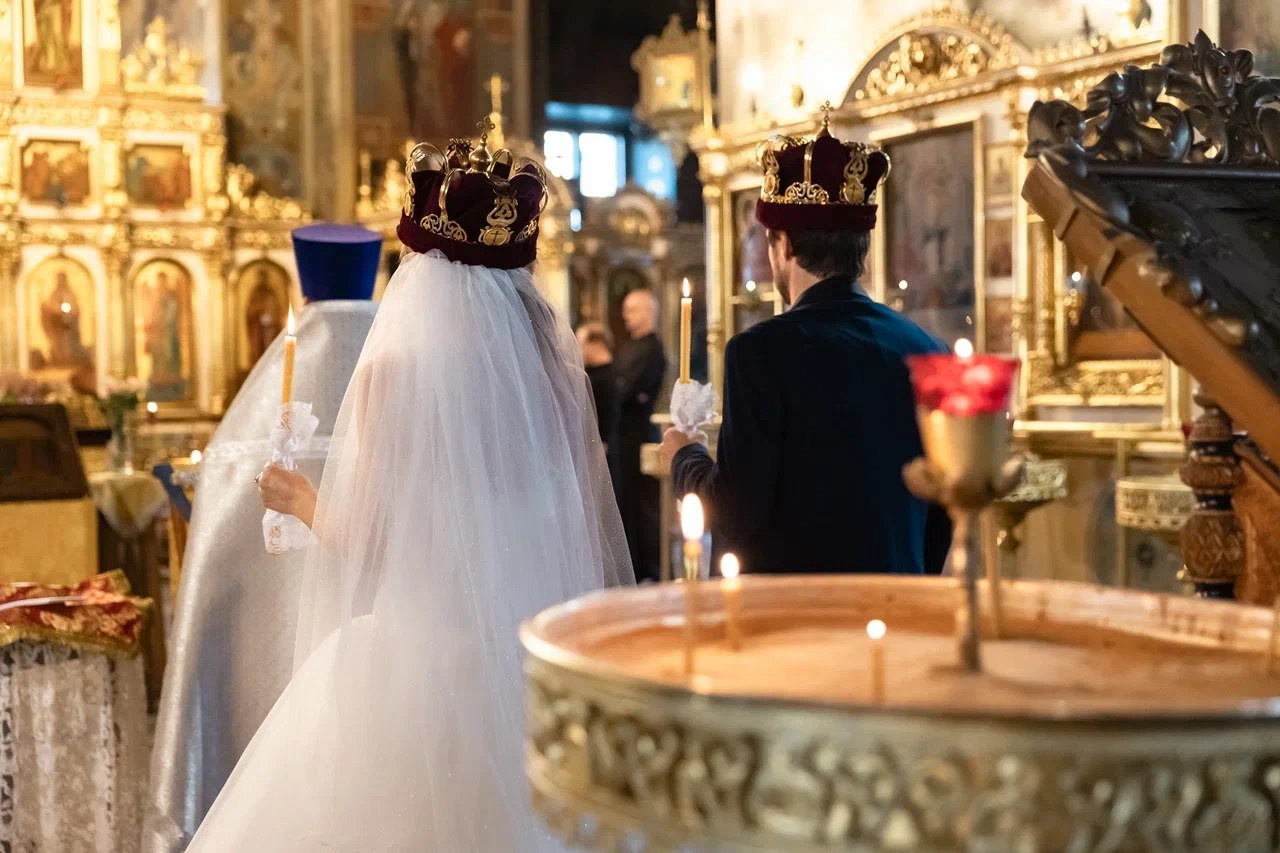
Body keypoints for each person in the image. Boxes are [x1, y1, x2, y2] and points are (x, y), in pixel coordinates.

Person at [184, 127, 632, 851]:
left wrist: (299, 499)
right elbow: (570, 524)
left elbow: (371, 545)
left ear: (421, 269)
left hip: (420, 667)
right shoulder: (553, 382)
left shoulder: (394, 377)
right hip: (532, 664)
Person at [144, 224, 382, 853]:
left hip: (325, 629)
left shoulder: (277, 373)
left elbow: (221, 516)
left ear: (305, 281)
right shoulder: (396, 359)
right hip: (390, 639)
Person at [659, 115, 952, 576]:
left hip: (795, 610)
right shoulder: (929, 349)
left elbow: (734, 512)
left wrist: (683, 456)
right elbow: (942, 511)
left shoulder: (759, 352)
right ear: (862, 245)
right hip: (896, 604)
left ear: (783, 245)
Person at [615, 288, 667, 581]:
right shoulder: (627, 348)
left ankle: (647, 571)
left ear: (649, 312)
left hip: (639, 436)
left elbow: (628, 390)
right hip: (621, 437)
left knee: (641, 506)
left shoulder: (652, 350)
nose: (625, 315)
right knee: (625, 502)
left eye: (632, 309)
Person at [576, 321, 620, 455]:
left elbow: (609, 414)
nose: (578, 350)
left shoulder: (609, 377)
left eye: (581, 344)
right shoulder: (590, 373)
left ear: (596, 345)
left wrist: (603, 440)